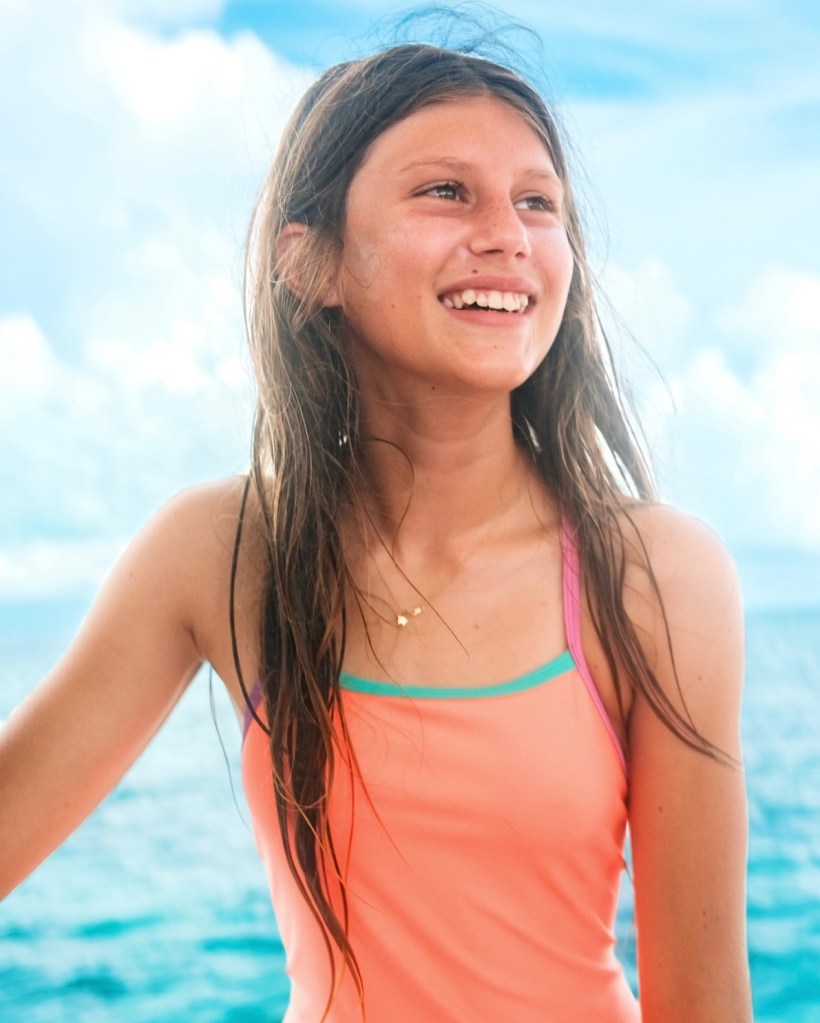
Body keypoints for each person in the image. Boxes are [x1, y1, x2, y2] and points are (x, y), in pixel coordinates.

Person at [0, 35, 752, 1023]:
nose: (507, 235)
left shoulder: (654, 572)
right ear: (312, 264)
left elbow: (702, 1005)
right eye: (446, 192)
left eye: (537, 202)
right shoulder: (224, 552)